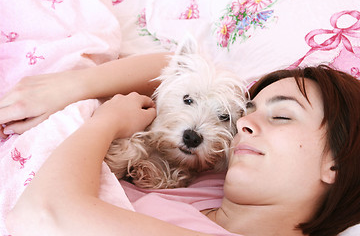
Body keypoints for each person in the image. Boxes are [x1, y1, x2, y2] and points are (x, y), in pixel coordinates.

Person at [2, 53, 360, 235]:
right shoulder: (213, 178)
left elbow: (44, 212)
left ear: (337, 162)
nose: (243, 124)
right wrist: (75, 86)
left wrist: (108, 121)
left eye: (281, 116)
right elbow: (180, 67)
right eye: (243, 114)